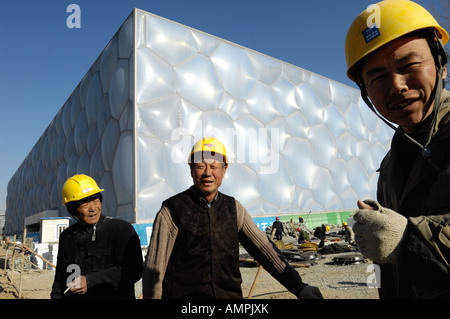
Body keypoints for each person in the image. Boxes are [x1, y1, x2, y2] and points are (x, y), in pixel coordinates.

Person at [345, 0, 450, 298]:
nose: (397, 85)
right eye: (377, 77)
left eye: (410, 65)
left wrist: (409, 240)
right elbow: (385, 267)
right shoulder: (390, 166)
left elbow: (399, 244)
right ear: (366, 91)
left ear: (441, 65)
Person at [142, 137, 322, 299]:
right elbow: (154, 268)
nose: (207, 173)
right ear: (191, 170)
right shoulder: (172, 210)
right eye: (200, 166)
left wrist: (299, 287)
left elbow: (266, 252)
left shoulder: (234, 208)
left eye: (214, 166)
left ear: (224, 170)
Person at [51, 174, 143, 299]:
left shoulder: (120, 230)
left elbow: (134, 270)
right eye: (85, 204)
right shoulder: (67, 237)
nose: (93, 208)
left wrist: (90, 281)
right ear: (73, 209)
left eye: (96, 201)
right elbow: (61, 279)